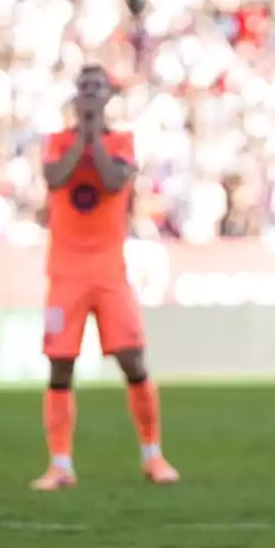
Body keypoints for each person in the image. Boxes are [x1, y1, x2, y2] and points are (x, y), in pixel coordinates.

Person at [31, 64, 180, 490]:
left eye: (98, 88)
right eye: (85, 88)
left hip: (110, 273)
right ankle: (60, 465)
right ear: (76, 96)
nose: (91, 94)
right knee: (60, 366)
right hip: (65, 273)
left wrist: (94, 136)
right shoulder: (57, 142)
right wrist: (83, 135)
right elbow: (55, 178)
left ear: (108, 96)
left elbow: (114, 182)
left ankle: (153, 455)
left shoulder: (122, 142)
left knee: (132, 361)